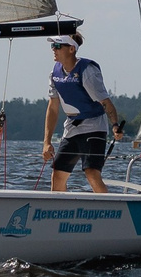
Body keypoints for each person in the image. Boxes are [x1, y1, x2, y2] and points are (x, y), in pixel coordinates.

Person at [43, 32, 124, 193]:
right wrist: (47, 142)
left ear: (71, 49)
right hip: (72, 128)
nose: (53, 49)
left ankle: (108, 206)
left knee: (91, 172)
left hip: (94, 126)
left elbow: (105, 102)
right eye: (53, 45)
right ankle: (57, 207)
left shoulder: (88, 71)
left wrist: (115, 125)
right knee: (58, 174)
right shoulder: (54, 74)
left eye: (58, 46)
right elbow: (53, 108)